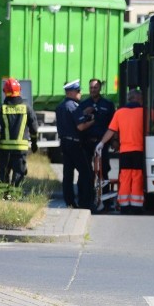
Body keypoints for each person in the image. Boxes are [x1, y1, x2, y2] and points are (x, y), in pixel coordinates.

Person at [96, 89, 145, 214]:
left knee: (125, 177)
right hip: (139, 151)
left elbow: (111, 130)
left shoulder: (119, 113)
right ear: (138, 99)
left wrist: (101, 143)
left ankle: (124, 205)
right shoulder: (145, 112)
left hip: (125, 152)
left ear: (129, 99)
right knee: (137, 177)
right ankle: (136, 205)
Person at [56, 79, 98, 210]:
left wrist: (83, 113)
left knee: (68, 174)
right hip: (75, 144)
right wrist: (93, 121)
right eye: (78, 91)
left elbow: (70, 120)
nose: (80, 93)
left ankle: (70, 202)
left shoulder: (61, 106)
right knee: (86, 173)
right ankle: (86, 203)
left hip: (64, 143)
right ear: (71, 92)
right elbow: (80, 126)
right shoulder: (74, 106)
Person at [0, 78, 39, 199]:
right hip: (20, 149)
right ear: (19, 91)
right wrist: (34, 143)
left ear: (5, 92)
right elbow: (34, 128)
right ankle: (14, 197)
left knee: (4, 173)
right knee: (19, 173)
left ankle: (3, 197)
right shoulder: (26, 108)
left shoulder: (1, 109)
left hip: (4, 148)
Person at [79, 78, 116, 183]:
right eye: (91, 87)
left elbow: (113, 124)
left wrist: (114, 140)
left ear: (100, 88)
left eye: (95, 87)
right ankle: (88, 196)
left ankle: (105, 196)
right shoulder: (83, 104)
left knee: (104, 169)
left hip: (102, 142)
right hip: (87, 142)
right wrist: (84, 113)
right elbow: (78, 122)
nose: (93, 90)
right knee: (86, 170)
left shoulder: (108, 104)